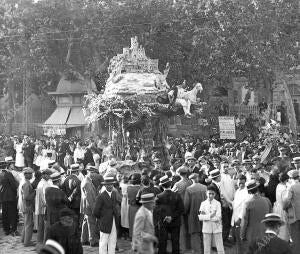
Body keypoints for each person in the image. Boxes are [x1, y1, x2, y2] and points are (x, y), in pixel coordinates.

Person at [155, 175, 184, 254]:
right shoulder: (177, 195)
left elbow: (157, 211)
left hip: (163, 222)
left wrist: (165, 217)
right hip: (175, 222)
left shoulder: (158, 196)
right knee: (175, 242)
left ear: (162, 186)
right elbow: (181, 209)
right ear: (170, 184)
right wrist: (171, 217)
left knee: (162, 243)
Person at [240, 180, 272, 252]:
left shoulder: (248, 203)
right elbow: (271, 218)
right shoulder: (267, 200)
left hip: (251, 235)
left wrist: (242, 235)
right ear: (257, 189)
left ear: (249, 192)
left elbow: (244, 222)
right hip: (265, 234)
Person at [93, 176, 119, 254]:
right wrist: (103, 218)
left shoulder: (114, 193)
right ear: (105, 185)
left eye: (111, 184)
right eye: (108, 184)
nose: (110, 186)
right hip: (104, 222)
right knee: (103, 242)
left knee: (113, 241)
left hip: (113, 221)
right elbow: (95, 211)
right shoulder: (101, 196)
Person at [184, 173, 207, 253]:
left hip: (193, 214)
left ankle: (197, 251)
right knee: (204, 233)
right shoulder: (205, 187)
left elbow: (186, 204)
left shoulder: (189, 189)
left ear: (191, 180)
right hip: (204, 213)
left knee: (195, 234)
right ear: (198, 178)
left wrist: (185, 212)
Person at [198, 185, 225, 254]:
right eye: (209, 193)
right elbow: (200, 217)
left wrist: (206, 217)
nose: (211, 195)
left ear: (215, 194)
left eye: (213, 194)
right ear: (206, 193)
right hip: (206, 228)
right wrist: (211, 215)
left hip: (217, 227)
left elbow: (218, 217)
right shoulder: (203, 203)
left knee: (220, 247)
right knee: (206, 248)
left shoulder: (218, 203)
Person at [231, 174, 250, 254]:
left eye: (242, 182)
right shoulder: (237, 191)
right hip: (235, 218)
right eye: (239, 182)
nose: (241, 184)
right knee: (237, 240)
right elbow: (235, 204)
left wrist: (239, 218)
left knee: (243, 240)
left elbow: (245, 206)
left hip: (242, 219)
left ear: (245, 182)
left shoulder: (247, 192)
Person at [80, 165, 98, 247]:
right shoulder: (87, 182)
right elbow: (89, 198)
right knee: (91, 223)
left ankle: (84, 239)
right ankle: (93, 241)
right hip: (88, 206)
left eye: (94, 173)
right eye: (92, 173)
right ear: (89, 172)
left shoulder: (86, 180)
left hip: (85, 206)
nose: (94, 174)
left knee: (85, 223)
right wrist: (94, 209)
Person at [0, 158, 19, 236]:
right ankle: (13, 230)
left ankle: (6, 229)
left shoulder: (1, 174)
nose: (13, 165)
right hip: (10, 197)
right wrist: (16, 193)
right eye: (12, 164)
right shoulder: (9, 174)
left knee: (5, 213)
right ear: (8, 166)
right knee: (13, 213)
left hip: (3, 196)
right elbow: (13, 186)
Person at [19, 167, 36, 246]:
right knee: (29, 224)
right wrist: (34, 193)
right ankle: (27, 242)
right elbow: (26, 197)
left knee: (26, 223)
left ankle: (24, 239)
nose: (32, 175)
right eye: (31, 174)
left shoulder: (25, 182)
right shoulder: (26, 184)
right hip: (27, 206)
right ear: (27, 175)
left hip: (25, 206)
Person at [285, 169, 300, 253]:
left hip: (295, 216)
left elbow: (287, 201)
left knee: (295, 238)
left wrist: (284, 208)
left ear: (290, 178)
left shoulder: (291, 187)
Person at [273, 173, 290, 241]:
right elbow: (285, 201)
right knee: (284, 227)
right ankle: (284, 242)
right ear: (286, 180)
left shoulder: (278, 185)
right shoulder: (284, 189)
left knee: (279, 226)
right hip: (283, 209)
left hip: (277, 207)